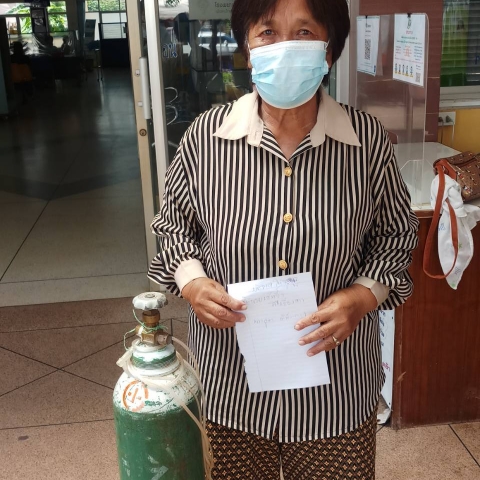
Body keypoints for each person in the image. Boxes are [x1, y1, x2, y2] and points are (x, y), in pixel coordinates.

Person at [148, 0, 419, 478]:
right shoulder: (205, 139)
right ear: (247, 48)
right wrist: (192, 283)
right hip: (232, 385)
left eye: (304, 32)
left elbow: (396, 234)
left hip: (335, 389)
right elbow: (172, 227)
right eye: (268, 32)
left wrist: (362, 297)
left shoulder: (367, 141)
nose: (285, 46)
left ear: (329, 50)